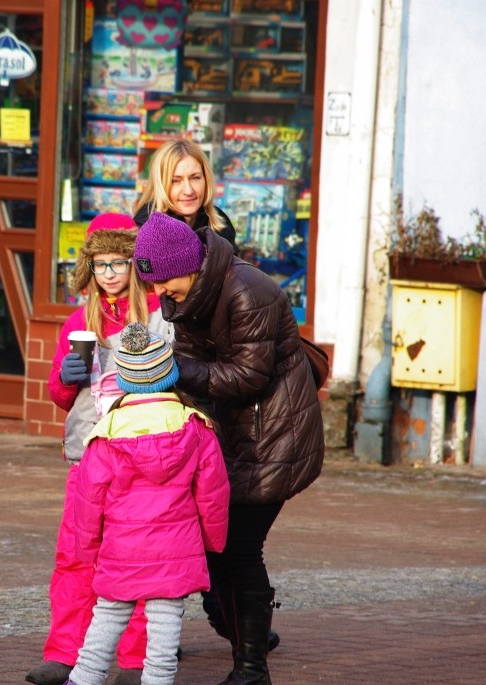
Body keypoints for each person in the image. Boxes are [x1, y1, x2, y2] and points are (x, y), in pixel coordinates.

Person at [132, 212, 325, 685]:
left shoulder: (247, 290)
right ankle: (248, 643)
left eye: (163, 282)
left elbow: (248, 376)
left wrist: (173, 372)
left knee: (237, 549)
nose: (160, 294)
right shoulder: (191, 295)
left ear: (187, 265)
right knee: (219, 548)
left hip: (274, 437)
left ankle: (251, 666)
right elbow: (199, 367)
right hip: (233, 436)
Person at [27, 213, 173, 685]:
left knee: (137, 558)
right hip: (89, 455)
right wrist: (66, 378)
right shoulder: (78, 319)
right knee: (76, 553)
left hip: (142, 452)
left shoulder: (157, 312)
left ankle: (133, 660)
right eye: (99, 264)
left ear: (136, 263)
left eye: (118, 262)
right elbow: (59, 392)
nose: (109, 273)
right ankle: (64, 653)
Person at [65, 322, 230, 685]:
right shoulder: (196, 426)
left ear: (124, 380)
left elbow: (88, 501)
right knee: (167, 620)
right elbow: (214, 493)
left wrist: (87, 548)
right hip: (177, 544)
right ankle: (157, 680)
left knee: (108, 613)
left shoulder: (106, 433)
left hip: (122, 546)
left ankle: (84, 678)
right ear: (169, 375)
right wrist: (212, 542)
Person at [132, 137, 238, 250]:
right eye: (175, 181)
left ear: (206, 179)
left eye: (195, 178)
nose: (188, 191)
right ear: (160, 185)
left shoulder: (220, 223)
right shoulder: (144, 229)